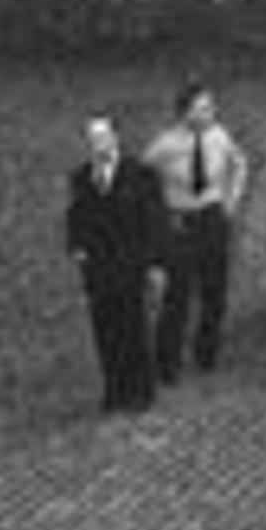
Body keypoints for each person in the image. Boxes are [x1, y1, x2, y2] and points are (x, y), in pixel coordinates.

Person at [143, 81, 246, 383]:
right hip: (181, 221)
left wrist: (232, 201)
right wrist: (160, 216)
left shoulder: (220, 136)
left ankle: (206, 353)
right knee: (178, 294)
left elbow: (239, 164)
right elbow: (142, 180)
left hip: (213, 218)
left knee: (215, 290)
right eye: (202, 108)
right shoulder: (164, 145)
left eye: (211, 106)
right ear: (184, 113)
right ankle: (167, 362)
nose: (210, 112)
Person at [66, 116, 167, 413]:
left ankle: (141, 391)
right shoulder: (82, 178)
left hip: (131, 265)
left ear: (116, 139)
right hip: (98, 269)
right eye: (94, 140)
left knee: (134, 329)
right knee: (105, 332)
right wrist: (77, 247)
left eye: (104, 138)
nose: (100, 145)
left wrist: (154, 263)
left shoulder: (141, 175)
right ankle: (114, 389)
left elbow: (154, 221)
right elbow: (76, 217)